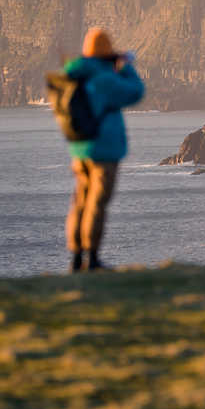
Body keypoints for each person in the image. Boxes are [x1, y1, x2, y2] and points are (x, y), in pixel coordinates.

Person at [63, 27, 145, 272]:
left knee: (80, 202)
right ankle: (93, 258)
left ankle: (76, 257)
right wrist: (125, 67)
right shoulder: (103, 78)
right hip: (103, 150)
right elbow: (135, 92)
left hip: (81, 148)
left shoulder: (78, 74)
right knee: (97, 204)